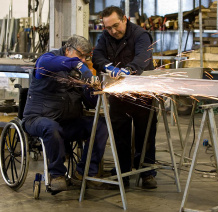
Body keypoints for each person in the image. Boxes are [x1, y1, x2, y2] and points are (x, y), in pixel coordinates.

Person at [23, 35, 109, 192]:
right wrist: (79, 66)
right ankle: (57, 175)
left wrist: (93, 89)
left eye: (85, 57)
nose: (83, 60)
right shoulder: (47, 60)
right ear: (68, 50)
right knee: (51, 127)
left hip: (66, 123)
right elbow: (55, 63)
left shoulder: (78, 72)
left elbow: (90, 103)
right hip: (38, 119)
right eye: (80, 55)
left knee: (100, 126)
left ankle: (84, 173)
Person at [92, 6, 158, 189]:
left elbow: (144, 57)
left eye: (116, 26)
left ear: (125, 19)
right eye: (108, 28)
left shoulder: (141, 35)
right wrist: (107, 66)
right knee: (120, 135)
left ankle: (147, 173)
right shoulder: (105, 37)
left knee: (145, 134)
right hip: (118, 94)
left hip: (143, 93)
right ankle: (122, 173)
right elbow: (96, 56)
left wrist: (129, 69)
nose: (113, 31)